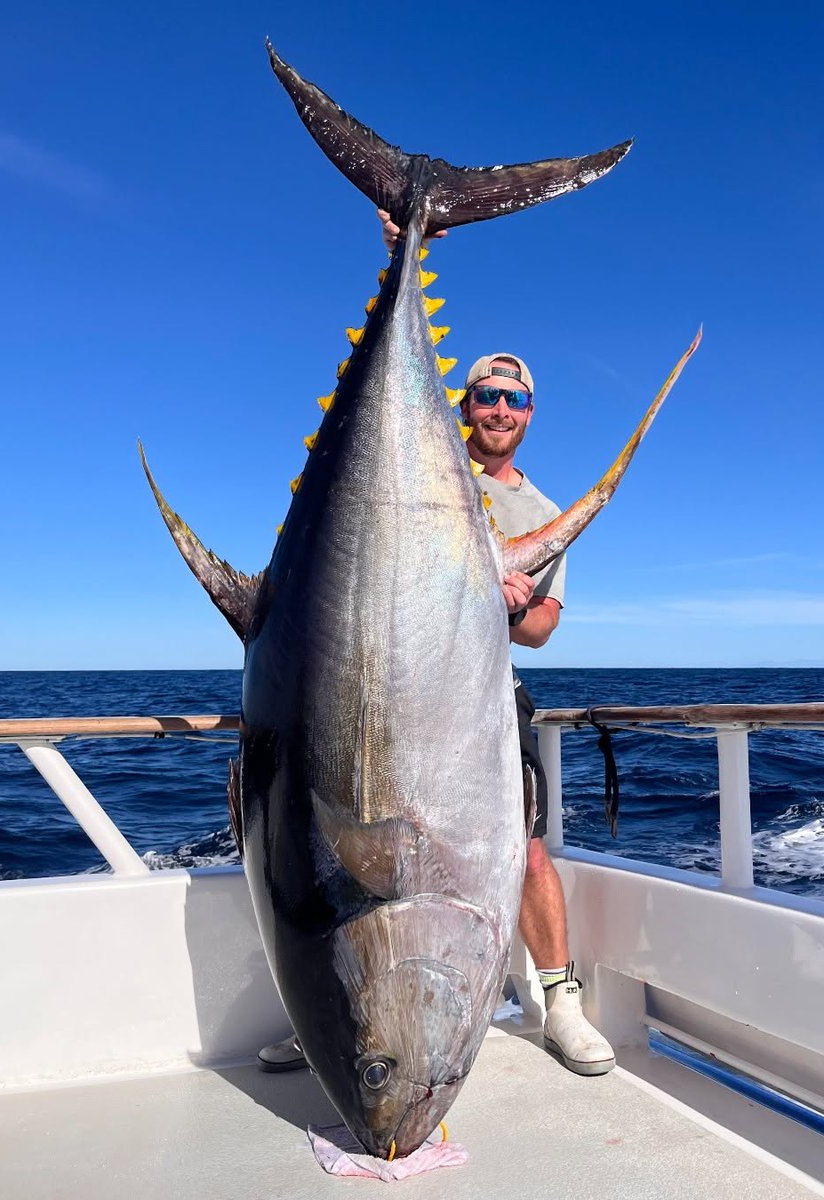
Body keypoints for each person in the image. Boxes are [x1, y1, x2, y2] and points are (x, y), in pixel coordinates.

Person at [258, 213, 615, 1077]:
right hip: (370, 689)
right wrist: (400, 254)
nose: (498, 409)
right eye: (486, 396)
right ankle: (335, 1014)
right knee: (300, 826)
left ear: (529, 417)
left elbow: (541, 631)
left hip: (475, 700)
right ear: (461, 405)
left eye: (513, 400)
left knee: (522, 846)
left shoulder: (539, 514)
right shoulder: (408, 454)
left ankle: (557, 999)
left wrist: (512, 602)